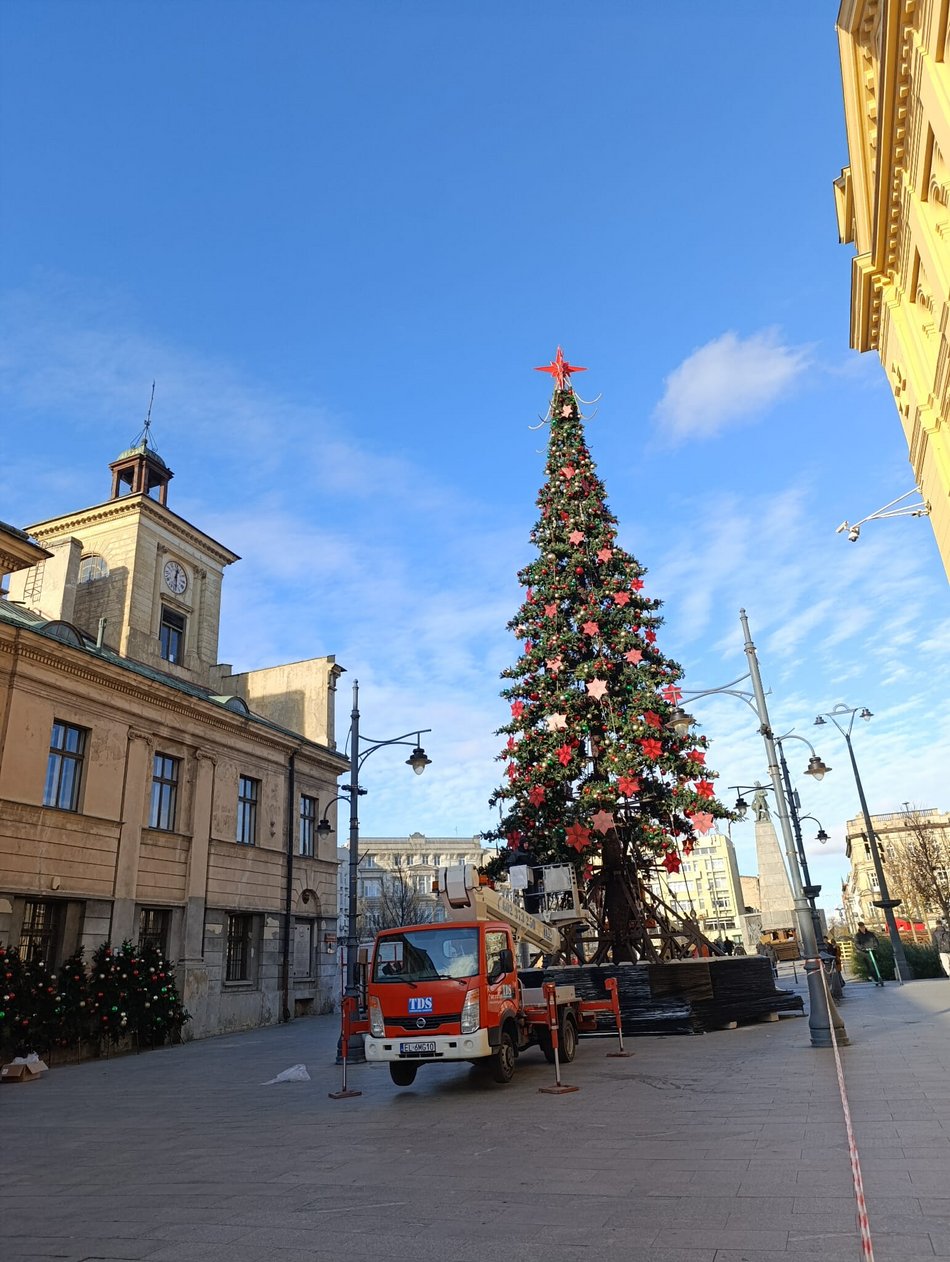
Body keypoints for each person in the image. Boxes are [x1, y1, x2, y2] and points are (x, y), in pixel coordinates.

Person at [854, 921, 884, 986]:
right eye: (861, 927)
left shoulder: (870, 934)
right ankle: (875, 978)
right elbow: (857, 943)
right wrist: (862, 948)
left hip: (872, 951)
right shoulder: (857, 936)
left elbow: (875, 940)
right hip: (865, 953)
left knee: (876, 964)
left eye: (863, 927)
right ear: (859, 928)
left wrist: (875, 946)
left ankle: (879, 977)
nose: (862, 928)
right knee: (870, 967)